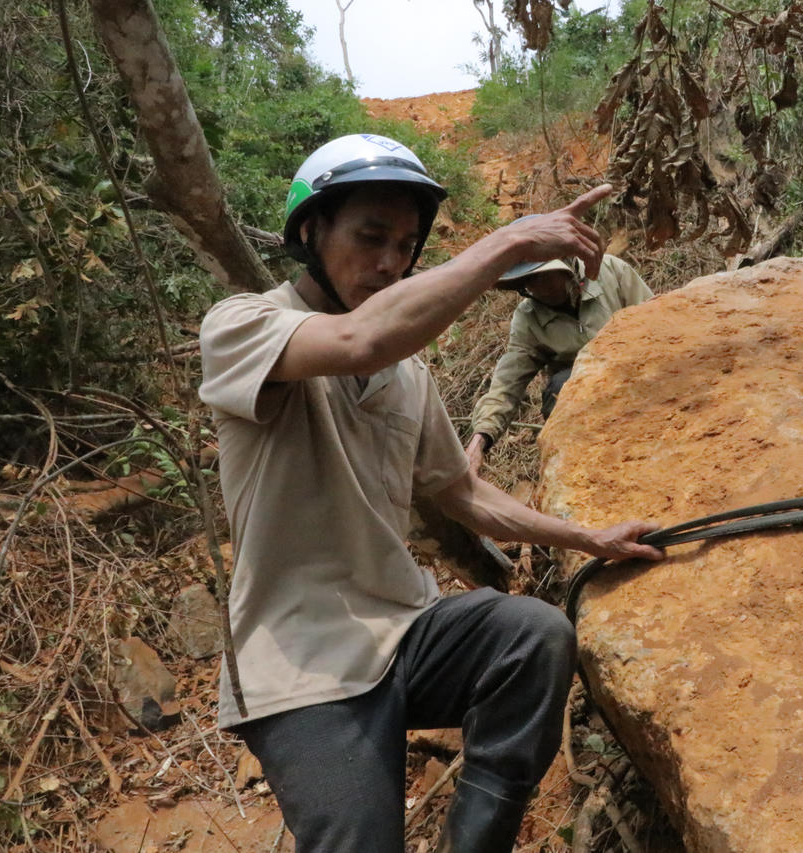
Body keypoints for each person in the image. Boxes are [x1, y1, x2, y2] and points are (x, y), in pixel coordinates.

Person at [198, 133, 664, 853]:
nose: (389, 261)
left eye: (406, 243)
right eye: (370, 235)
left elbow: (462, 493)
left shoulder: (407, 376)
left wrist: (587, 539)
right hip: (300, 663)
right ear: (311, 231)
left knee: (534, 636)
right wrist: (506, 245)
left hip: (404, 634)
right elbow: (357, 341)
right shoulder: (243, 326)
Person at [464, 244, 652, 473]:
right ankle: (583, 472)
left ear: (567, 266)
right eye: (530, 280)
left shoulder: (612, 272)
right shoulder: (528, 318)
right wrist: (480, 440)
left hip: (641, 376)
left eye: (545, 276)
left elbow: (655, 322)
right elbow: (506, 385)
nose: (540, 287)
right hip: (585, 402)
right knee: (560, 386)